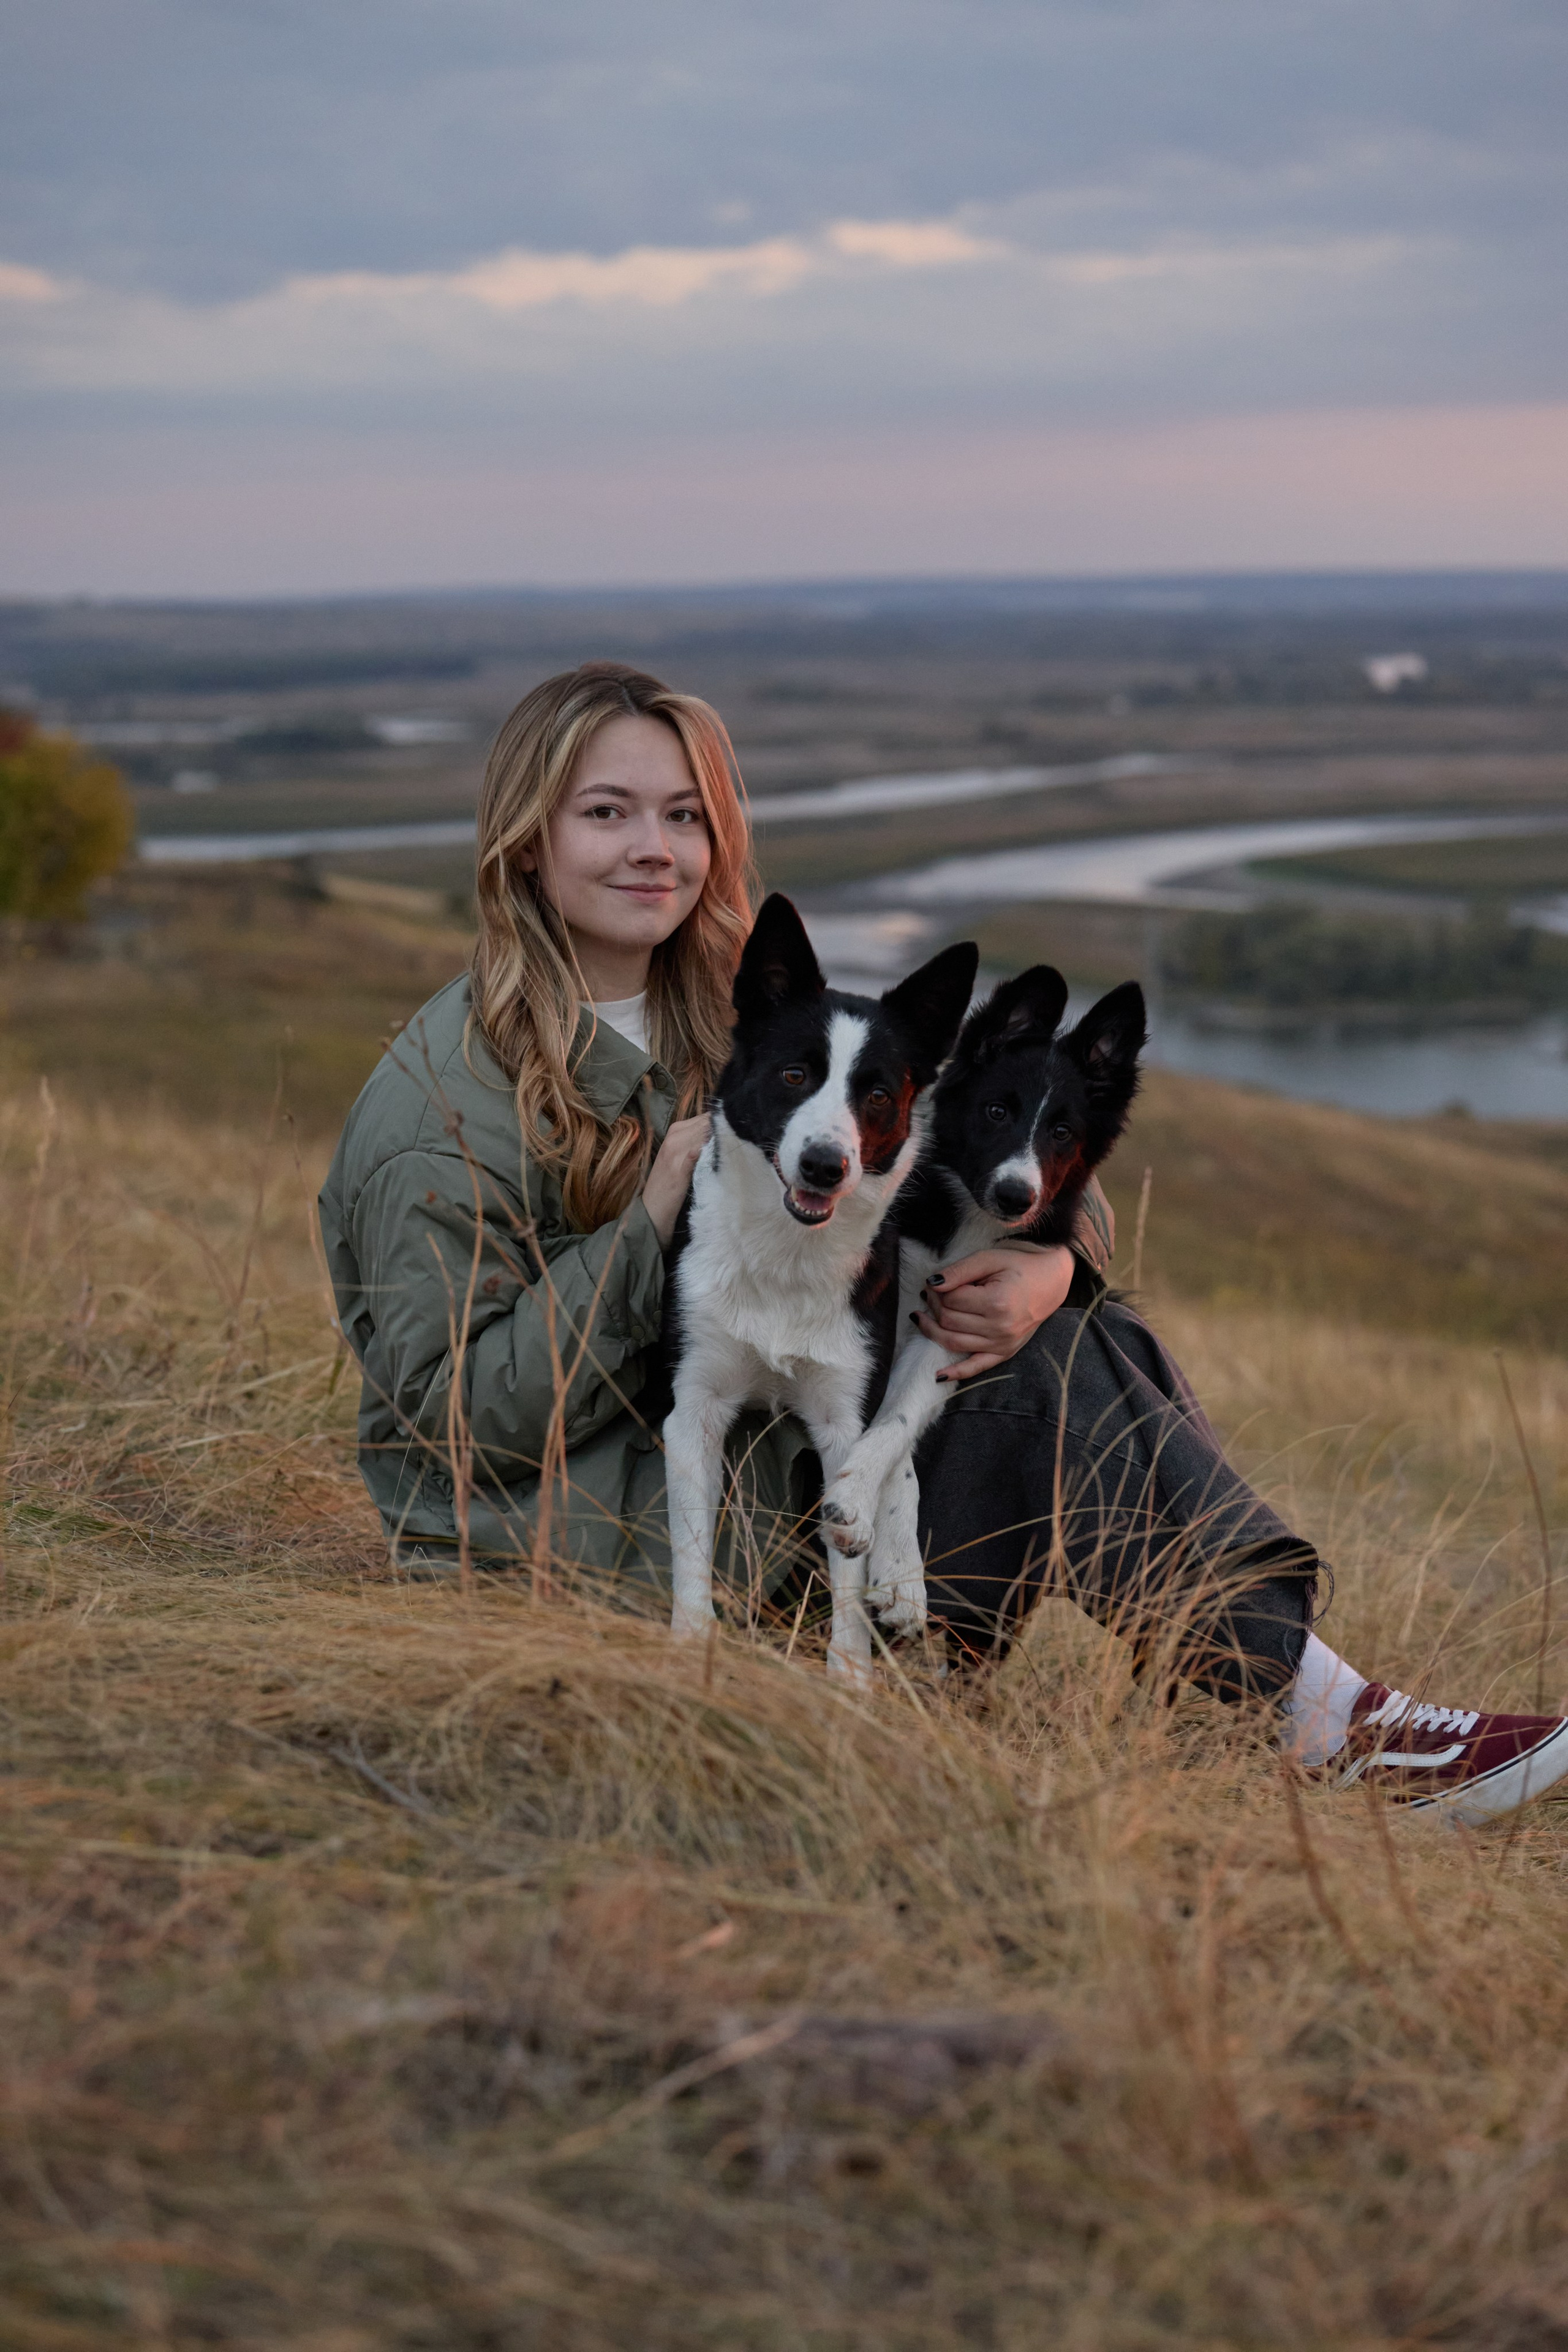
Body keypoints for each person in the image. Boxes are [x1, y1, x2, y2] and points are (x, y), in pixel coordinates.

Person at [320, 663, 1568, 1829]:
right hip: (575, 1543)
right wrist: (650, 1219)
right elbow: (443, 1421)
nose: (653, 848)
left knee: (1043, 1327)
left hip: (749, 1456)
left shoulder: (720, 1009)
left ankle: (1235, 1692)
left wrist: (1051, 1264)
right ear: (525, 838)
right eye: (606, 812)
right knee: (1028, 1382)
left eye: (684, 815)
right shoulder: (444, 1105)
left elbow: (920, 1148)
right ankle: (1318, 1717)